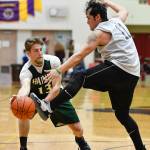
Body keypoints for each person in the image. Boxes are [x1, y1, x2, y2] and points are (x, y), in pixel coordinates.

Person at [31, 0, 146, 150]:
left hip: (119, 70)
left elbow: (79, 56)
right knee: (122, 115)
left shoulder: (99, 34)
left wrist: (58, 70)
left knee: (80, 76)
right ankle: (140, 148)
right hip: (132, 75)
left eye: (88, 18)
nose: (86, 21)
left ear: (97, 17)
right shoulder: (117, 22)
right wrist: (107, 2)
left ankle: (49, 106)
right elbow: (124, 10)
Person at [10, 37, 91, 150]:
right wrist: (19, 98)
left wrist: (45, 102)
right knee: (22, 110)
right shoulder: (25, 71)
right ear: (28, 53)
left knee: (78, 129)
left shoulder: (53, 61)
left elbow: (57, 87)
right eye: (36, 51)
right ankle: (23, 146)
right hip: (35, 98)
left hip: (55, 96)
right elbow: (25, 87)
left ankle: (80, 141)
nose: (40, 53)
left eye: (40, 49)